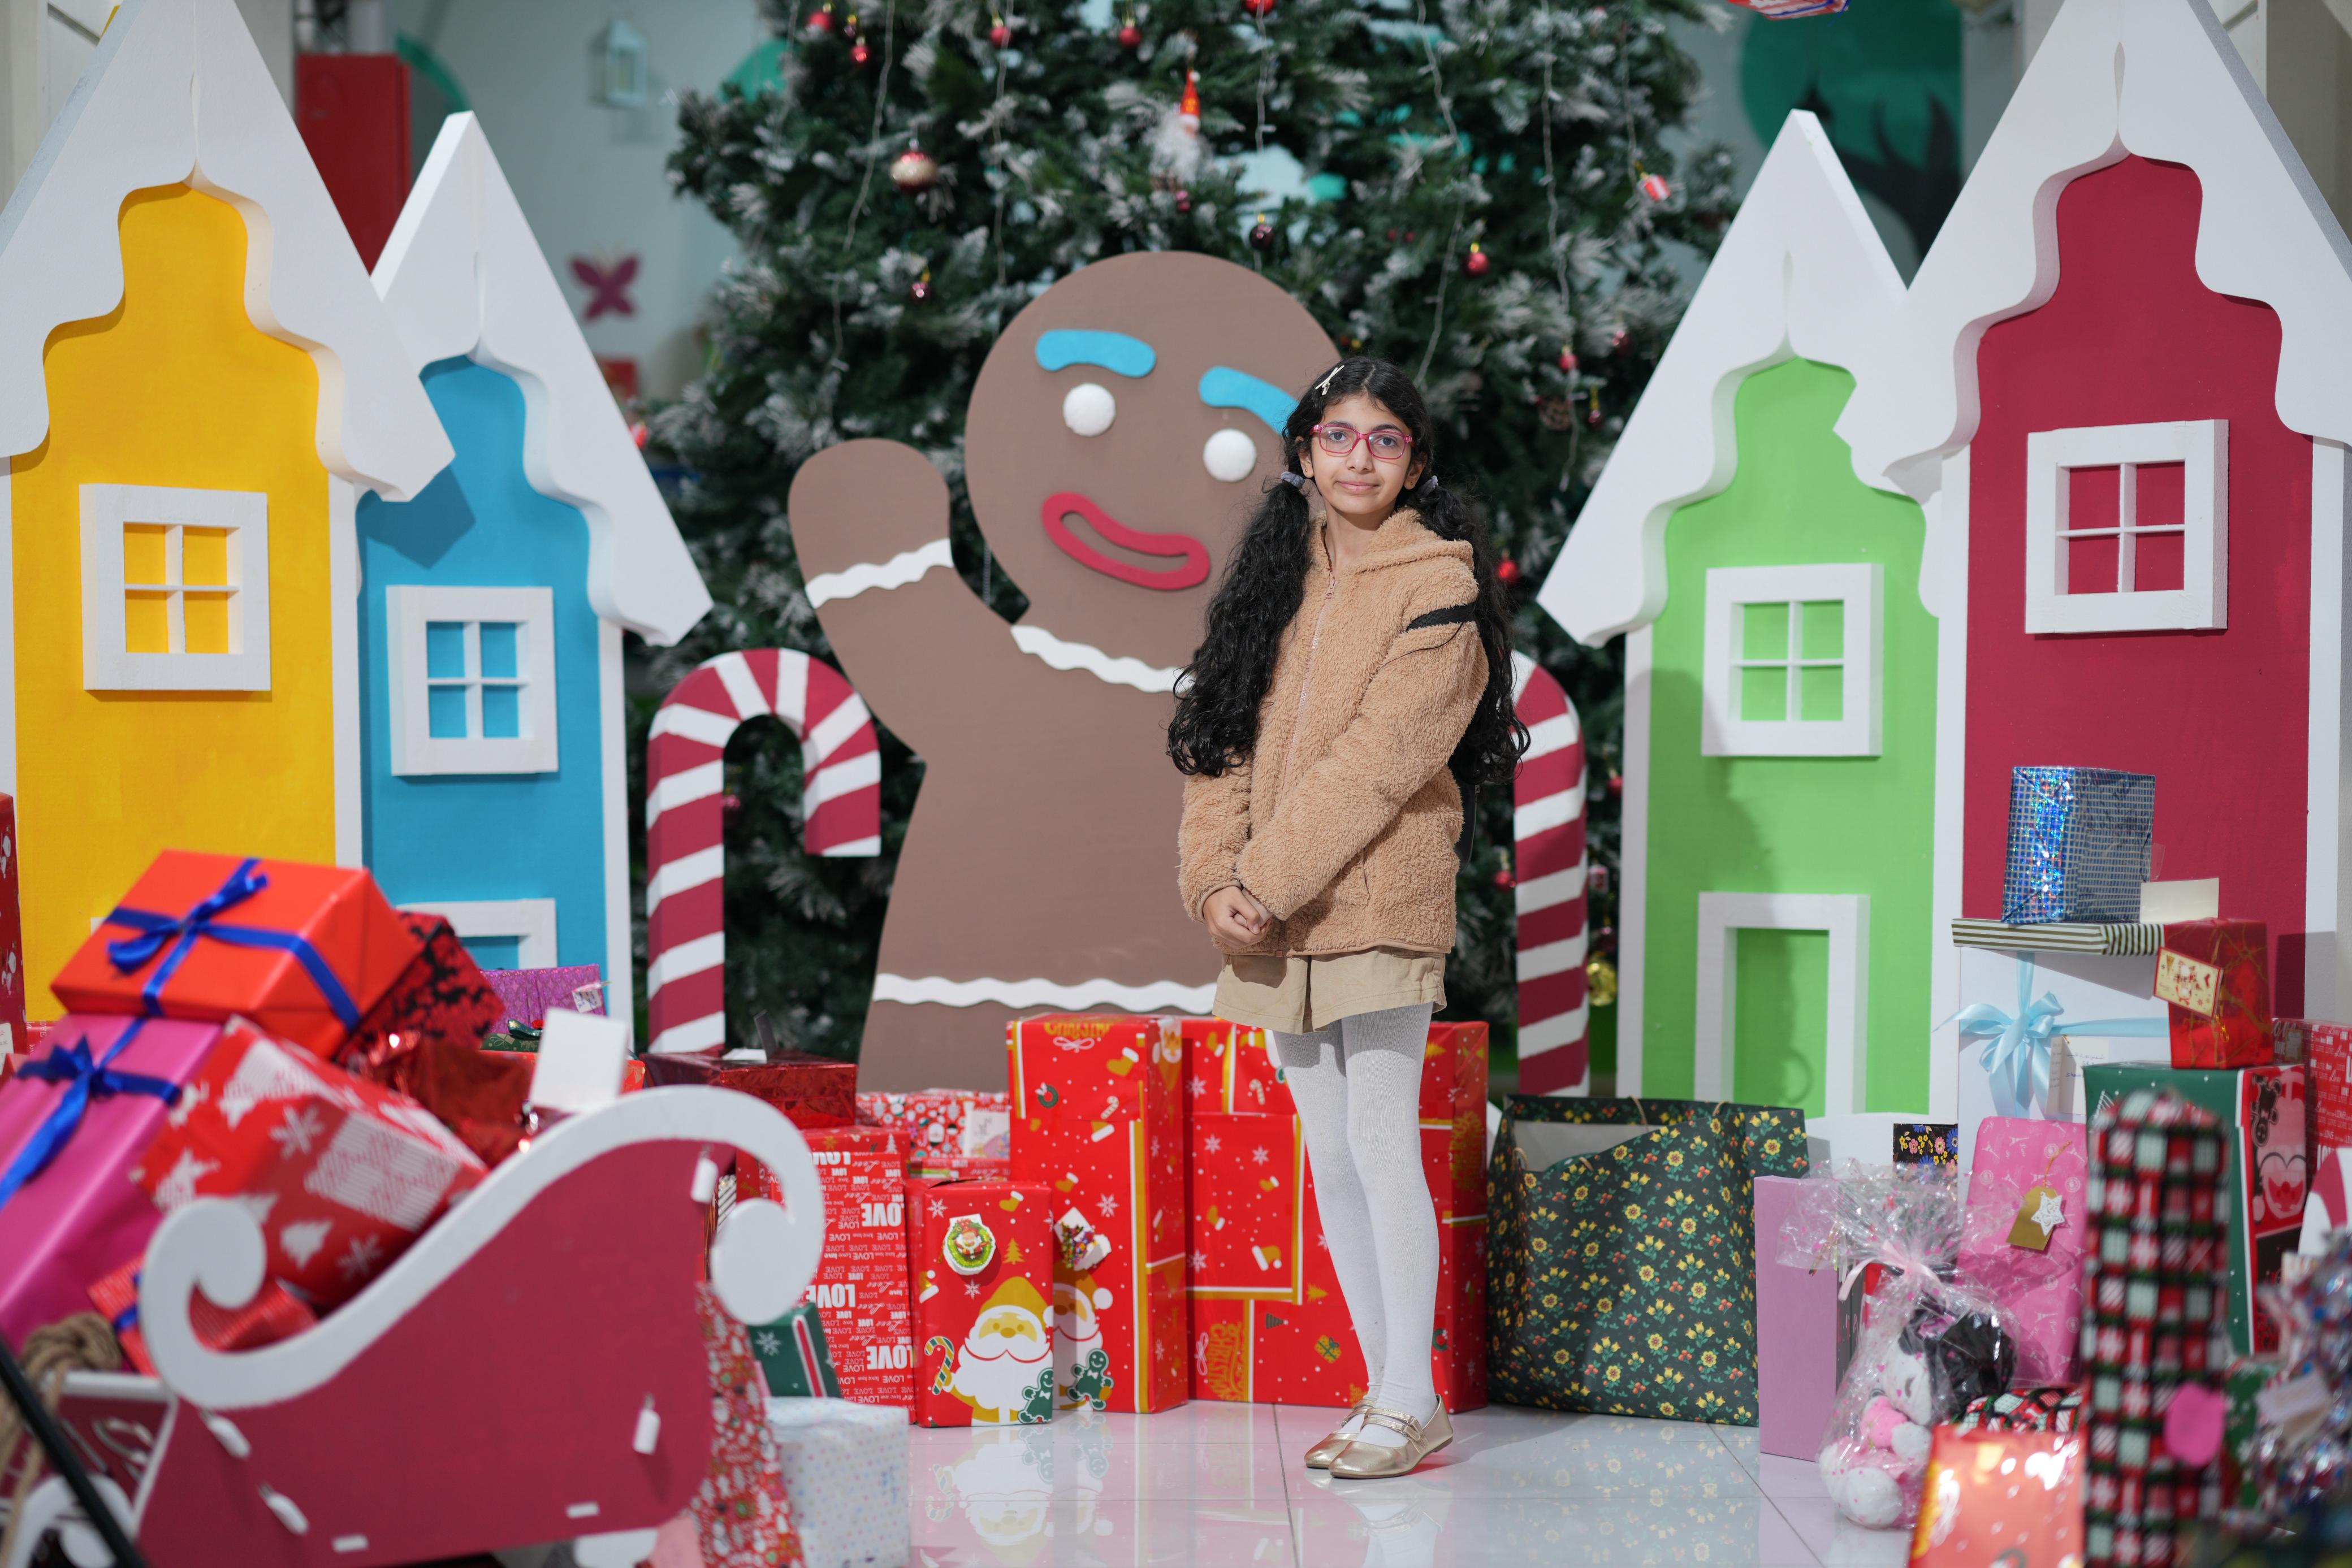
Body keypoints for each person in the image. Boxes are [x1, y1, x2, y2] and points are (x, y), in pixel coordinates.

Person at [1169, 356, 1523, 1479]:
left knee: (1378, 1139)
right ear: (1304, 452)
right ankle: (1385, 1389)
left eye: (1384, 440)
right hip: (1268, 909)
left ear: (1415, 464)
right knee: (1327, 1150)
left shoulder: (1438, 587)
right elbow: (1220, 743)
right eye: (1337, 436)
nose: (1358, 458)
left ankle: (1413, 1396)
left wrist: (1262, 881)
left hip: (1375, 899)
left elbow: (1378, 762)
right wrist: (1213, 882)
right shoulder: (1275, 580)